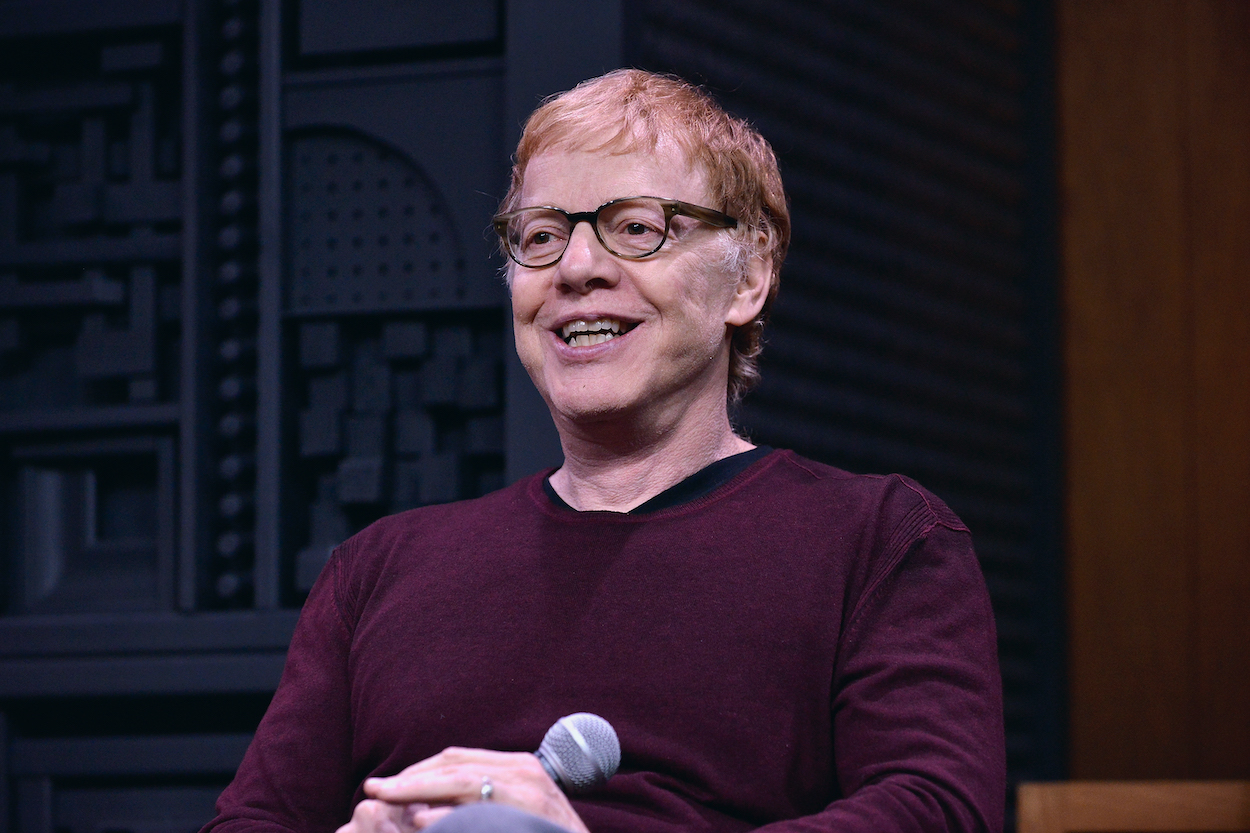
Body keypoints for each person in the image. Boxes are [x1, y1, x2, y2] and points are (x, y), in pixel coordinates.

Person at [201, 69, 1005, 833]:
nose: (578, 268)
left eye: (636, 228)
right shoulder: (378, 570)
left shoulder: (877, 540)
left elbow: (936, 811)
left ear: (749, 276)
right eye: (541, 236)